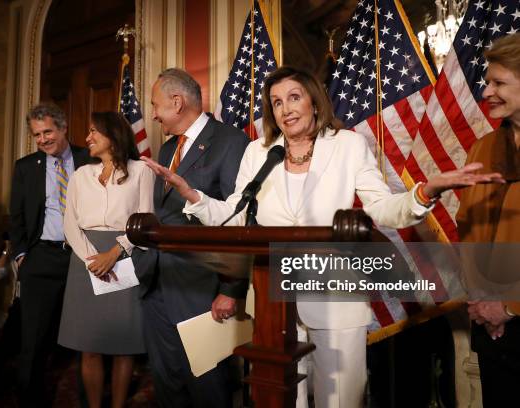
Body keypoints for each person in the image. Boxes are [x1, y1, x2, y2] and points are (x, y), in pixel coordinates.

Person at [142, 66, 503, 408]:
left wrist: (425, 192)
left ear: (314, 101)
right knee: (282, 397)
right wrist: (193, 196)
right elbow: (235, 214)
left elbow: (381, 208)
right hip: (274, 301)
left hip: (336, 295)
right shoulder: (259, 152)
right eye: (277, 102)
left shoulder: (347, 145)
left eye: (294, 97)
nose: (286, 109)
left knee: (340, 398)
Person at [133, 68, 250, 407]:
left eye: (155, 105)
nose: (153, 114)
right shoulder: (169, 147)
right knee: (167, 383)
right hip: (156, 283)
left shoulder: (230, 142)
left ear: (177, 101)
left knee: (207, 384)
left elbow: (238, 221)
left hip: (201, 287)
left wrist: (231, 288)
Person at [58, 111, 154, 408]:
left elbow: (146, 221)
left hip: (125, 256)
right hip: (84, 258)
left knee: (123, 346)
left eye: (93, 132)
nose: (87, 138)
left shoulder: (141, 171)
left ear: (112, 136)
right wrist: (92, 259)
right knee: (89, 346)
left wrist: (114, 253)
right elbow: (70, 224)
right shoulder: (80, 175)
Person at [9, 102, 91, 406]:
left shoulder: (90, 158)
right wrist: (20, 256)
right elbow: (16, 216)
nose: (42, 139)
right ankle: (30, 399)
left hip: (81, 257)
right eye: (36, 135)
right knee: (33, 338)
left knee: (87, 338)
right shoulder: (25, 166)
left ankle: (87, 397)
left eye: (47, 132)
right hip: (41, 257)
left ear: (63, 127)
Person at [461, 33, 520, 407]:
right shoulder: (482, 148)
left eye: (499, 83)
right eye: (487, 82)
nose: (487, 92)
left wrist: (510, 306)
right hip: (490, 327)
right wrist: (483, 302)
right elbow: (466, 228)